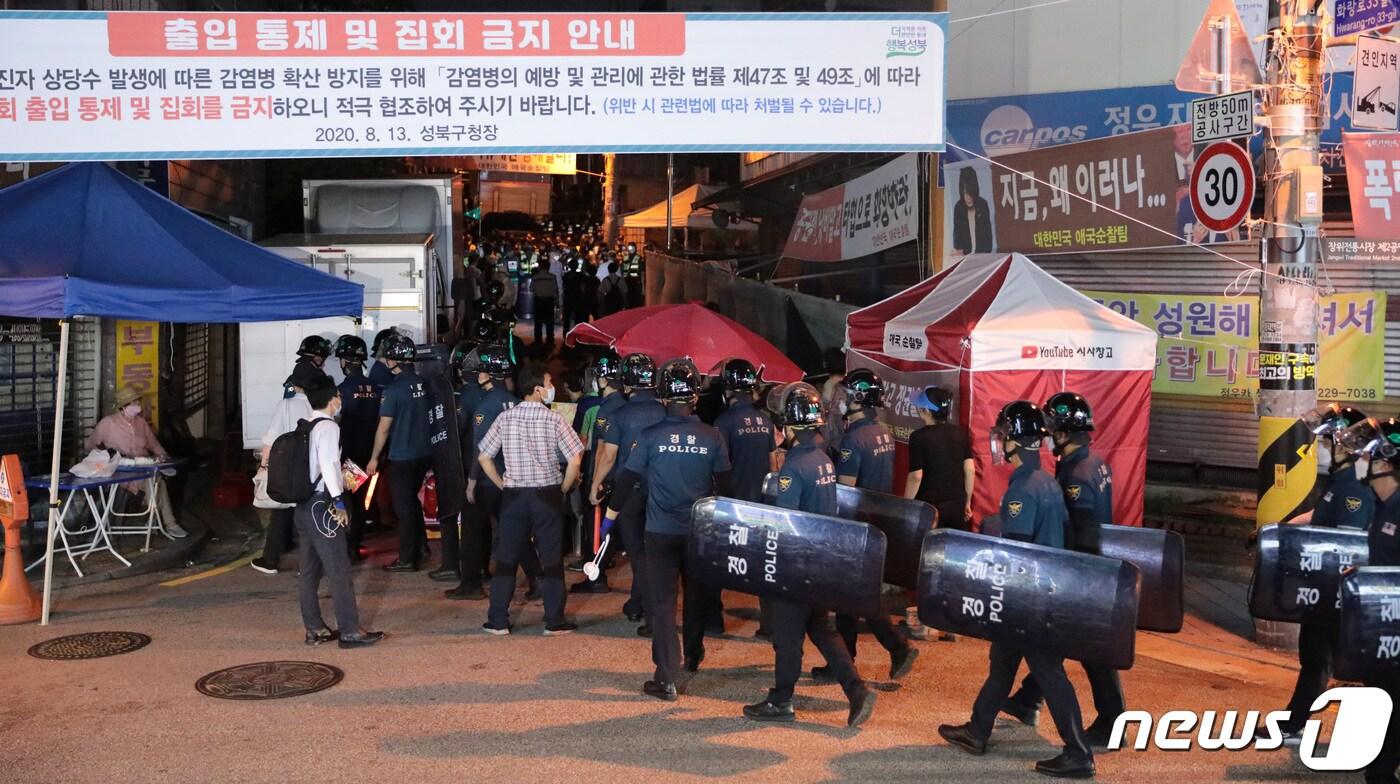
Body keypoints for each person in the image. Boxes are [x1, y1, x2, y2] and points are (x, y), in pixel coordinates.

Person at [939, 401, 1094, 779]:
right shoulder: (1045, 480)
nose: (998, 442)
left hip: (1029, 597)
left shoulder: (1023, 488)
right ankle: (977, 731)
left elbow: (1017, 552)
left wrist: (999, 596)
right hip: (1043, 591)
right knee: (1003, 663)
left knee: (1048, 672)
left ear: (1013, 440)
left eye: (1003, 435)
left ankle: (1079, 753)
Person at [744, 382, 877, 728]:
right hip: (822, 558)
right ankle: (856, 688)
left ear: (788, 427)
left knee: (787, 634)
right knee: (821, 627)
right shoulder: (823, 460)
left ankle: (782, 699)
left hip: (796, 562)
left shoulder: (793, 467)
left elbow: (786, 521)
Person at [601, 359, 731, 700]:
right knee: (695, 595)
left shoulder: (650, 437)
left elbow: (627, 481)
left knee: (662, 603)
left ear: (662, 397)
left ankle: (667, 676)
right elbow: (726, 487)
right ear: (695, 398)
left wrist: (609, 519)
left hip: (659, 532)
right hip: (699, 530)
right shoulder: (713, 436)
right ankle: (694, 653)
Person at [1003, 392, 1122, 748]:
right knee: (1059, 641)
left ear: (1066, 431)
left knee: (1090, 651)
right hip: (1094, 568)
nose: (1048, 434)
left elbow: (1080, 531)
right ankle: (1028, 698)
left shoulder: (1076, 475)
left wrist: (1070, 578)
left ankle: (1112, 722)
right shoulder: (1094, 462)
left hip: (1082, 572)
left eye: (1052, 427)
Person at [1261, 404, 1373, 745]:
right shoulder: (1341, 479)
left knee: (1329, 657)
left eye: (1328, 442)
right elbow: (1319, 515)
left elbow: (1347, 541)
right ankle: (1296, 723)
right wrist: (1277, 530)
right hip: (1330, 586)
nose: (1323, 448)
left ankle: (1298, 725)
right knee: (1318, 657)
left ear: (1346, 442)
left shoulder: (1356, 483)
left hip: (1339, 588)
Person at [823, 368, 918, 679]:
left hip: (855, 524)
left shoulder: (854, 439)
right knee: (848, 595)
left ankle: (897, 646)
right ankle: (845, 660)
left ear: (858, 399)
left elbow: (846, 489)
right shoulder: (882, 433)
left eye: (847, 396)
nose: (841, 401)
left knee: (854, 594)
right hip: (875, 522)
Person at [477, 361, 584, 635]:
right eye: (548, 384)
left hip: (513, 496)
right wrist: (564, 488)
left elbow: (484, 456)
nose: (551, 389)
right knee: (550, 559)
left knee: (507, 559)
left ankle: (498, 620)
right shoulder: (555, 419)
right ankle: (554, 620)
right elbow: (575, 458)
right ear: (537, 390)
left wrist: (502, 484)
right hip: (547, 494)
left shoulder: (505, 418)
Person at [292, 377, 386, 649]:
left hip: (303, 506)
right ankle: (350, 631)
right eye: (338, 396)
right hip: (323, 506)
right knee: (339, 570)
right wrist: (339, 503)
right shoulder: (328, 427)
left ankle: (314, 628)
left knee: (308, 571)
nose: (340, 400)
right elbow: (330, 464)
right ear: (333, 399)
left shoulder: (305, 426)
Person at [1338, 416, 1400, 783]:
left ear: (1385, 463)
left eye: (1365, 455)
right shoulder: (1381, 505)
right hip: (1386, 630)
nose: (1358, 459)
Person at [588, 353, 666, 631]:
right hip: (660, 492)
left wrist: (596, 484)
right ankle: (636, 602)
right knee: (655, 550)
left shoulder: (620, 414)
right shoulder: (665, 411)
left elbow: (608, 456)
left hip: (629, 492)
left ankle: (646, 608)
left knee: (638, 553)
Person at [712, 358, 779, 637]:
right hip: (762, 504)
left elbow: (719, 466)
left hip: (733, 503)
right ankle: (769, 625)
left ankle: (713, 622)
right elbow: (773, 463)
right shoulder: (765, 421)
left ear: (728, 388)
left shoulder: (724, 422)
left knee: (715, 563)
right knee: (765, 566)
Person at [366, 333, 433, 573]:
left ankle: (406, 558)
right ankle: (422, 546)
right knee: (411, 501)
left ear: (394, 360)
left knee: (403, 508)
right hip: (424, 453)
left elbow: (384, 428)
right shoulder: (424, 383)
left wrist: (374, 457)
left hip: (402, 456)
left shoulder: (393, 390)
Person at [85, 384, 187, 539]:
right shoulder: (108, 423)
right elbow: (90, 446)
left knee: (158, 481)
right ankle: (168, 522)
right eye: (134, 403)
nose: (138, 406)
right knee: (156, 483)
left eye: (138, 402)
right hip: (120, 472)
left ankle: (153, 519)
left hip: (143, 467)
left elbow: (153, 444)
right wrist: (108, 457)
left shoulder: (141, 423)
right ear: (123, 407)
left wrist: (163, 456)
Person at [571, 351, 628, 590]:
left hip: (606, 476)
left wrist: (594, 482)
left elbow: (604, 451)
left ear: (602, 380)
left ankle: (596, 576)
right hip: (624, 476)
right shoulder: (626, 406)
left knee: (597, 528)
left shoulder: (607, 409)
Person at [252, 374, 314, 574]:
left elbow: (270, 440)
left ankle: (270, 560)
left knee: (280, 512)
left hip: (286, 468)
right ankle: (308, 565)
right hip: (311, 469)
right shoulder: (317, 404)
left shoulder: (285, 405)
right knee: (308, 518)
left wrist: (264, 465)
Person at [333, 335, 379, 561]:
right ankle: (356, 543)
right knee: (361, 501)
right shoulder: (375, 388)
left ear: (344, 362)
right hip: (370, 454)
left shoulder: (341, 390)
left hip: (349, 455)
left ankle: (349, 546)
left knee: (348, 500)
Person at [905, 386, 975, 531]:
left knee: (927, 549)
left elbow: (916, 476)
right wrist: (966, 502)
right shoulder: (960, 433)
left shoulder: (918, 437)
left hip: (929, 509)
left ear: (927, 411)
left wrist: (906, 505)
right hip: (957, 506)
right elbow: (970, 470)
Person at [952, 166, 993, 256]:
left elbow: (988, 233)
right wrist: (960, 250)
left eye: (970, 193)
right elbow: (957, 233)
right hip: (965, 257)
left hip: (982, 256)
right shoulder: (958, 207)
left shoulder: (983, 205)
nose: (968, 197)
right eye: (965, 193)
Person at [531, 263, 559, 346]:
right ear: (548, 267)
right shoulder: (552, 277)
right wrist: (557, 302)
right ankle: (550, 340)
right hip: (549, 300)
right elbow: (555, 290)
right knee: (549, 322)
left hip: (538, 300)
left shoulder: (535, 277)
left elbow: (531, 288)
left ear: (540, 267)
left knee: (538, 322)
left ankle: (538, 340)